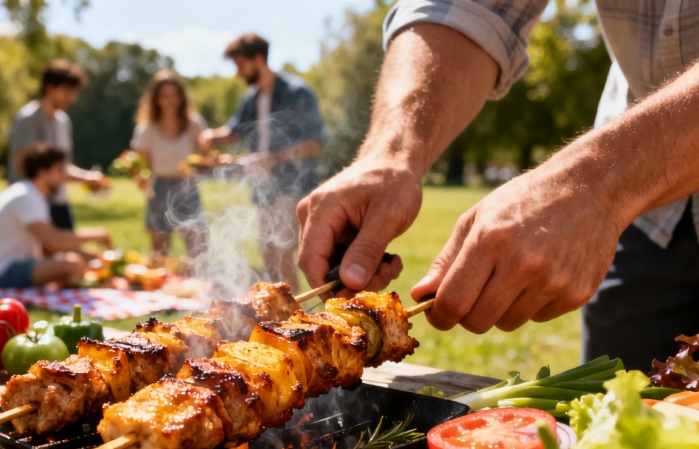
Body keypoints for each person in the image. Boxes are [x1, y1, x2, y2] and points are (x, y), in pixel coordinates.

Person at [296, 0, 699, 372]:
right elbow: (467, 7)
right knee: (622, 425)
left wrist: (599, 182)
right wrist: (391, 154)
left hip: (620, 189)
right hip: (646, 223)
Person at [200, 33, 326, 294]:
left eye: (240, 65)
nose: (238, 73)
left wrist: (275, 158)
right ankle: (288, 314)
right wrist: (211, 135)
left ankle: (296, 318)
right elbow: (235, 131)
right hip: (263, 189)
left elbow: (316, 141)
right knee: (270, 254)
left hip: (293, 188)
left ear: (258, 59)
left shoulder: (295, 92)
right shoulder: (251, 98)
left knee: (280, 253)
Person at [0, 143, 111, 288]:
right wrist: (95, 234)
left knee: (77, 261)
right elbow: (52, 241)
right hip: (1, 273)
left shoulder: (30, 193)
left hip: (12, 266)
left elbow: (47, 247)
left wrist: (90, 256)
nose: (63, 177)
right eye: (59, 170)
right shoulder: (26, 196)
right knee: (71, 264)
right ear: (43, 172)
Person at [8, 59, 109, 231]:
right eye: (67, 91)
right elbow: (22, 165)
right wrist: (82, 178)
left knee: (71, 252)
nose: (72, 97)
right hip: (31, 204)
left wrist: (88, 177)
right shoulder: (29, 119)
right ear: (49, 87)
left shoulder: (63, 121)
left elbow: (63, 166)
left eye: (73, 91)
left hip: (58, 201)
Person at [131, 69, 208, 259]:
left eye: (174, 95)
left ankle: (197, 286)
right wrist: (141, 179)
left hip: (187, 188)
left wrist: (202, 164)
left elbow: (206, 158)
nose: (170, 101)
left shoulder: (194, 124)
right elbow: (140, 165)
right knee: (160, 254)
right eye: (164, 96)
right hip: (160, 189)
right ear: (155, 99)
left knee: (198, 249)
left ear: (182, 98)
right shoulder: (147, 129)